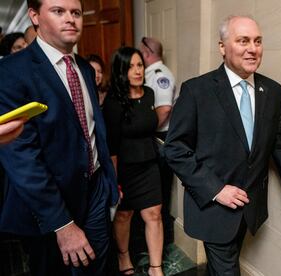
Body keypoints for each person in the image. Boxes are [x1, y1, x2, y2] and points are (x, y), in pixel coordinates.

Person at [163, 15, 281, 275]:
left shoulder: (273, 92)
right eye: (243, 41)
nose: (253, 48)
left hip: (250, 208)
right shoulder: (196, 91)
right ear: (223, 47)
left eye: (258, 41)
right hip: (213, 205)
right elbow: (175, 149)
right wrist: (216, 189)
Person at [0, 0, 119, 275]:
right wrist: (62, 223)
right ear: (35, 16)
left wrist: (109, 185)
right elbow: (22, 158)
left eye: (76, 12)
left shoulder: (85, 69)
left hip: (96, 191)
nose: (71, 19)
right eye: (58, 11)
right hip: (50, 206)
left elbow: (93, 131)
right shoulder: (11, 73)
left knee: (98, 267)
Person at [103, 47, 164, 276]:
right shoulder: (113, 102)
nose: (137, 71)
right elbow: (112, 146)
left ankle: (155, 267)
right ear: (121, 70)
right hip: (125, 168)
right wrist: (114, 181)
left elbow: (151, 126)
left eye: (140, 65)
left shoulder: (149, 93)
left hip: (149, 163)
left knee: (154, 214)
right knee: (124, 215)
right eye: (131, 66)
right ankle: (123, 256)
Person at [139, 36, 177, 246]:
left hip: (159, 138)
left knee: (159, 192)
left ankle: (163, 240)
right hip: (153, 137)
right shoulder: (150, 74)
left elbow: (163, 110)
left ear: (147, 51)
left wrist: (143, 131)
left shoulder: (161, 75)